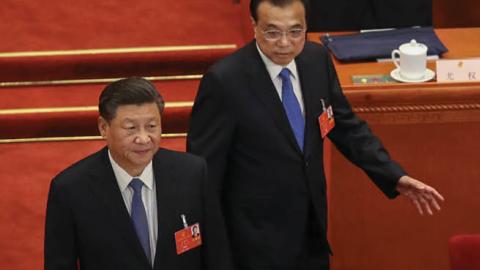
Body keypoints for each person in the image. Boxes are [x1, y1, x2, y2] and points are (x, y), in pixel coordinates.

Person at [186, 0, 444, 269]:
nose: (285, 43)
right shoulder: (225, 82)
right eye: (272, 32)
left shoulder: (316, 60)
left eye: (296, 32)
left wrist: (393, 175)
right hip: (253, 243)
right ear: (254, 26)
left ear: (307, 25)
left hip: (311, 232)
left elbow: (345, 126)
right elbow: (204, 172)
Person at [45, 77, 232, 270]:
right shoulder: (70, 189)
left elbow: (217, 255)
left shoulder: (193, 173)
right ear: (103, 127)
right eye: (131, 128)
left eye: (151, 126)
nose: (143, 139)